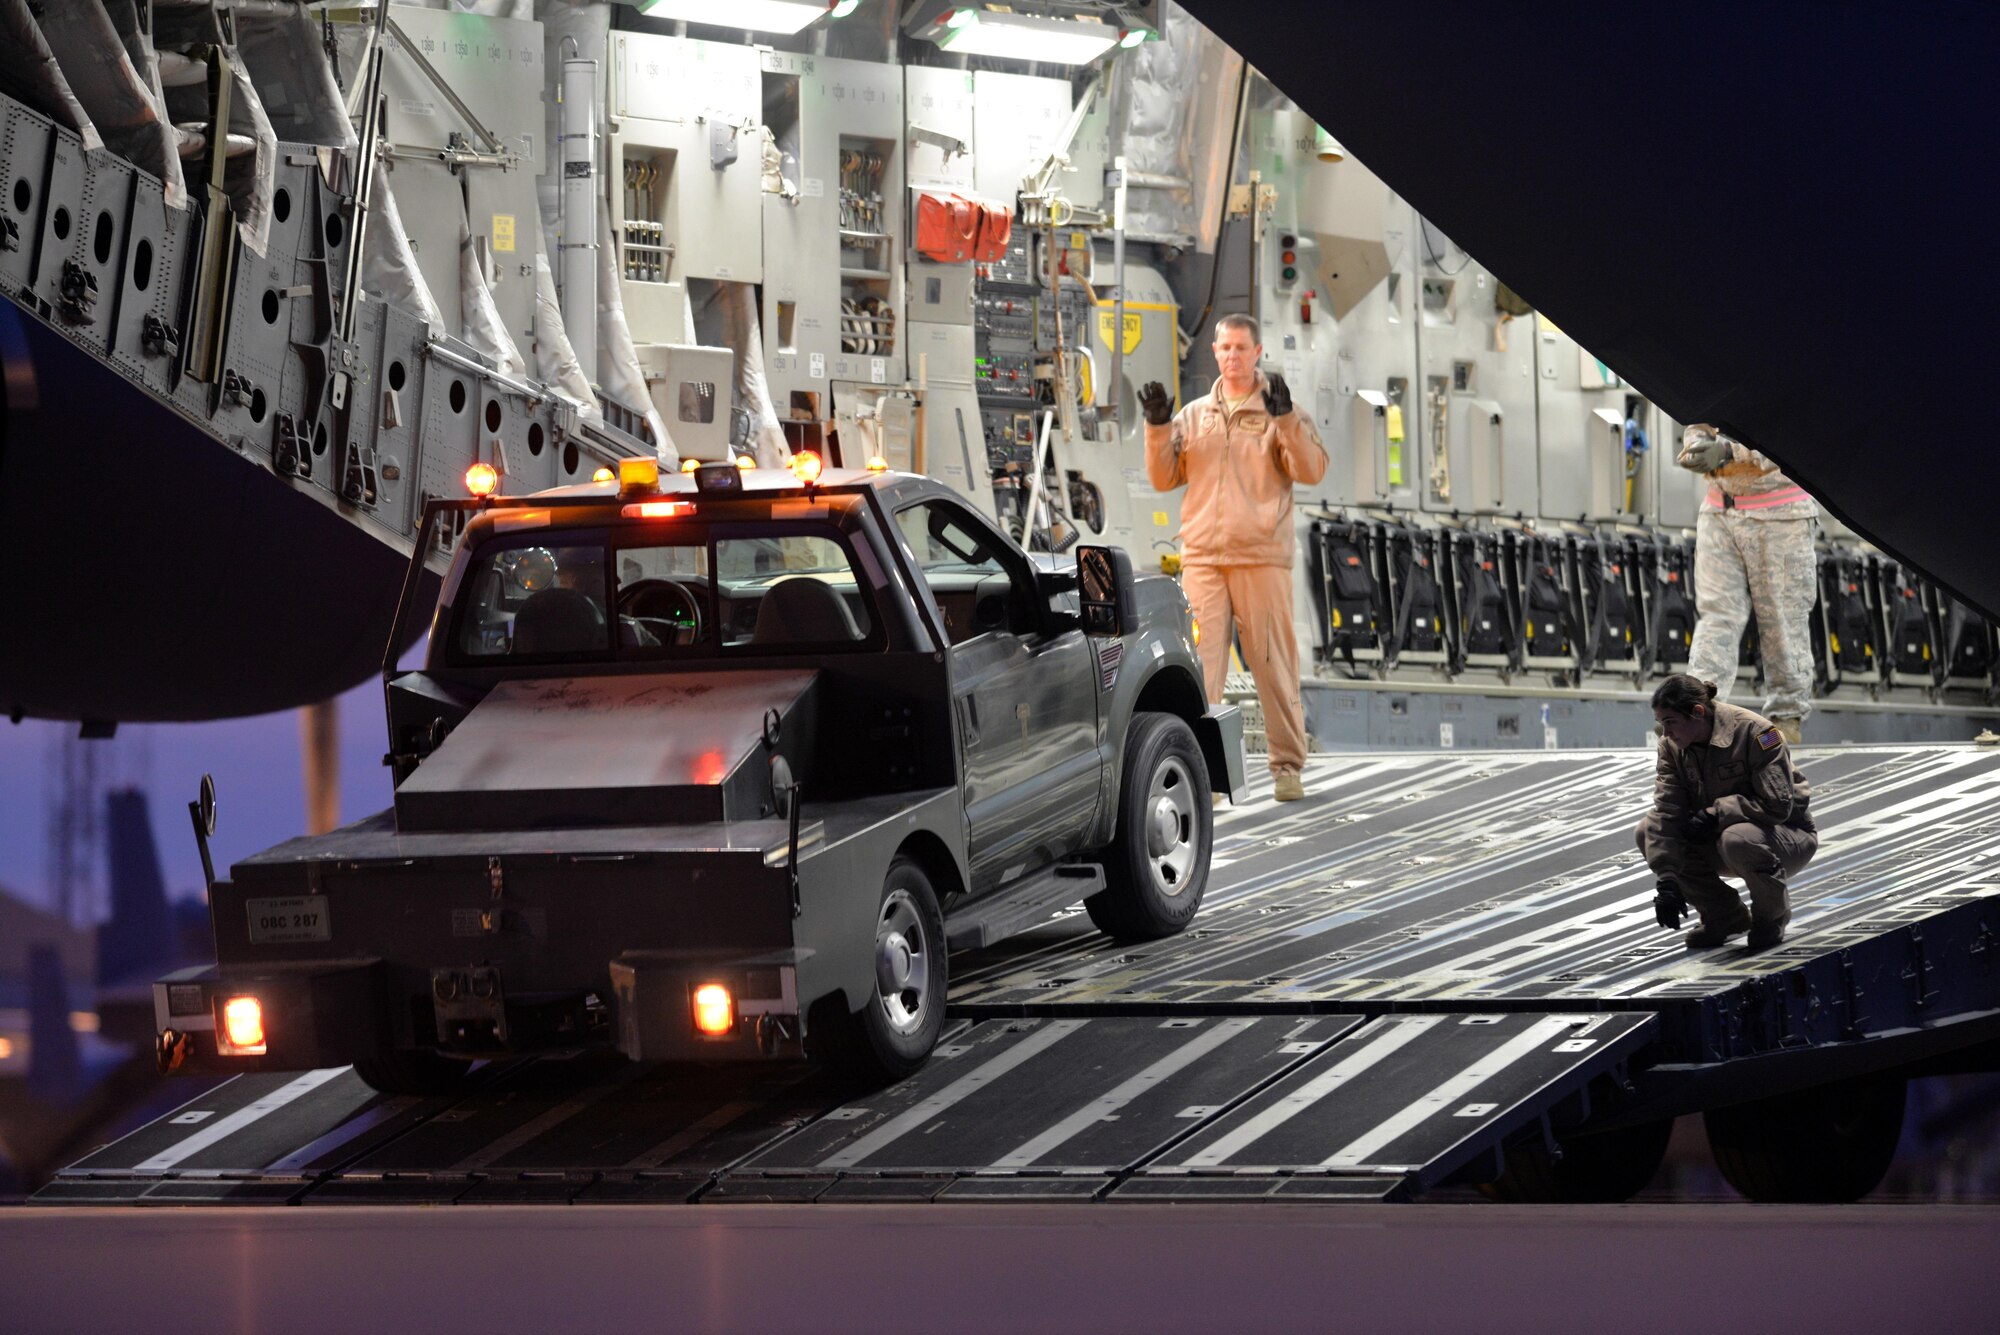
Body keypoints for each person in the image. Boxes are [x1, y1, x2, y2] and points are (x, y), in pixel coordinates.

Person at [1142, 314, 1327, 802]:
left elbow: (1312, 469)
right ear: (1215, 353)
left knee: (1272, 664)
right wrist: (1158, 428)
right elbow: (1164, 479)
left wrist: (1286, 420)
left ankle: (1287, 768)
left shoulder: (1278, 412)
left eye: (1241, 348)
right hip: (1203, 557)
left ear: (1258, 351)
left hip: (1261, 558)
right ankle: (1204, 779)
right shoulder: (1196, 415)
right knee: (1200, 670)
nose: (1232, 357)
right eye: (1224, 348)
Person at [1637, 674, 1816, 950]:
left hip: (1786, 835)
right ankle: (1725, 916)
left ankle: (1772, 918)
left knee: (1737, 838)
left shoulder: (1758, 732)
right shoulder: (1671, 748)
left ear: (1697, 713)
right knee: (1648, 829)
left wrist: (1718, 813)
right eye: (1661, 724)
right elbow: (1667, 811)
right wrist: (1667, 880)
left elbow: (1778, 805)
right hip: (1720, 836)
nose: (1666, 732)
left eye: (1670, 722)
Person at [1676, 423, 1818, 745]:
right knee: (1716, 617)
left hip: (1782, 516)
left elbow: (1795, 437)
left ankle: (1786, 719)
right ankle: (1696, 711)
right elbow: (1698, 419)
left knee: (1782, 620)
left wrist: (1728, 452)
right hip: (1719, 512)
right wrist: (1697, 444)